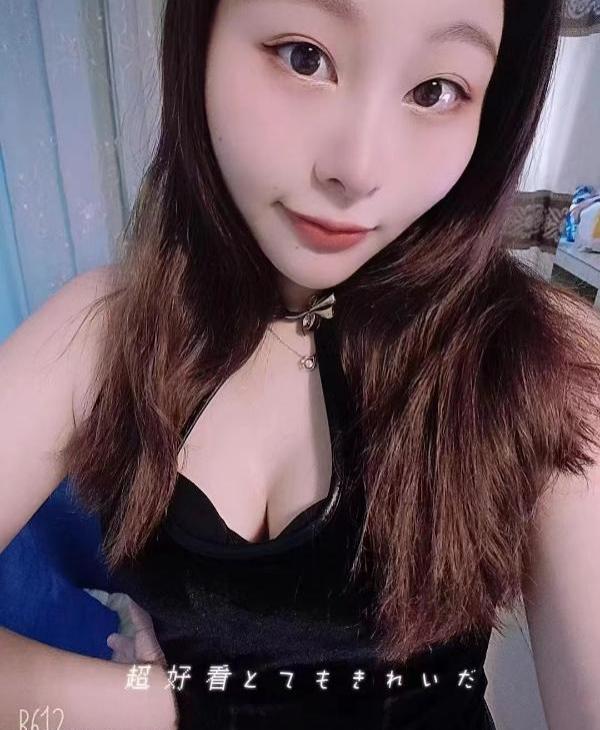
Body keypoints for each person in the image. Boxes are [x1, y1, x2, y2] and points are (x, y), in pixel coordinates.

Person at [2, 0, 600, 728]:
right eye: (304, 57)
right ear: (202, 35)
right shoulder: (106, 331)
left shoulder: (543, 359)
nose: (357, 170)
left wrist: (214, 704)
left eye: (435, 91)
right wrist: (161, 703)